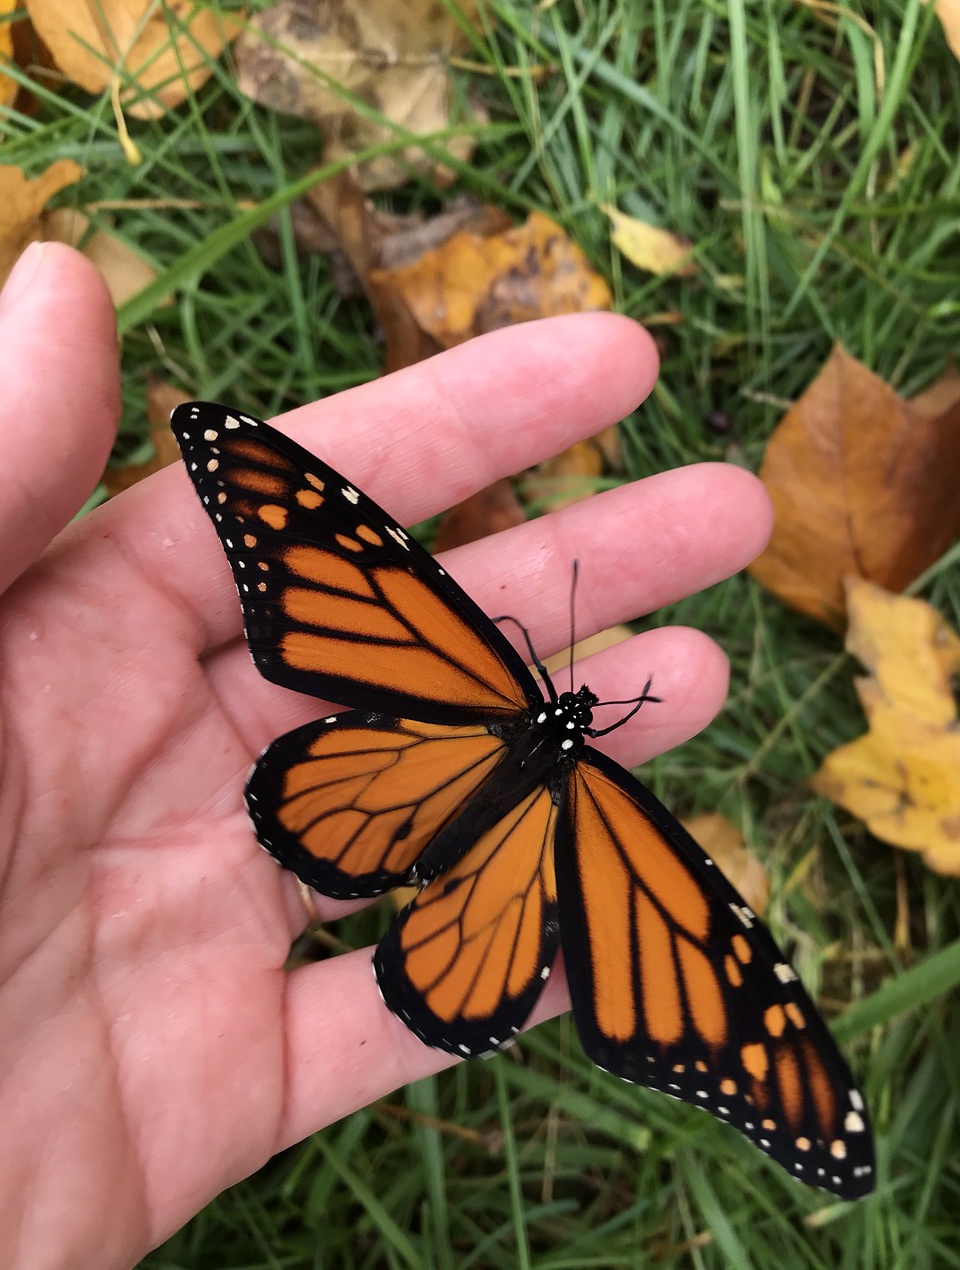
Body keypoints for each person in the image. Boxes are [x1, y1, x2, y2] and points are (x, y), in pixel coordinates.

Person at [0, 242, 772, 1269]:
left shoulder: (493, 681)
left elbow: (352, 572)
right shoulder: (595, 794)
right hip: (471, 895)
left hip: (383, 789)